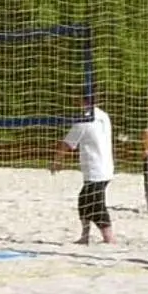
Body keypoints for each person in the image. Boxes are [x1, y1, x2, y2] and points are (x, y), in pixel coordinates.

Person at [52, 103, 115, 245]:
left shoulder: (85, 120)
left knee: (97, 204)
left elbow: (67, 143)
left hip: (96, 170)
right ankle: (85, 236)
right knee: (83, 200)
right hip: (105, 167)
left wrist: (57, 161)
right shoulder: (103, 115)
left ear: (82, 101)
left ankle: (109, 239)